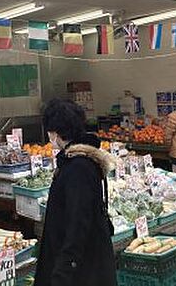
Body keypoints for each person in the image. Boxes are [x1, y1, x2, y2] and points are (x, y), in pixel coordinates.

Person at [34, 99, 117, 286]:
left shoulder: (77, 168)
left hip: (82, 271)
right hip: (86, 263)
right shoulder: (80, 161)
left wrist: (63, 272)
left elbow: (77, 223)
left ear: (55, 131)